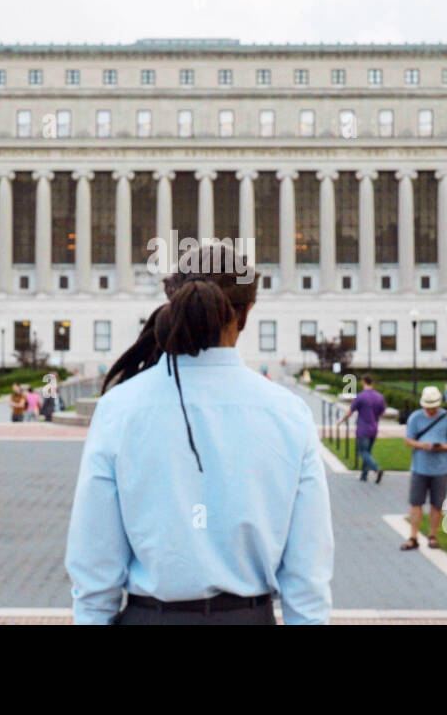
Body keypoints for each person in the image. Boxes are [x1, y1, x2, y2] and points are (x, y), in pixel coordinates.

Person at [65, 243, 333, 625]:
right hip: (247, 617)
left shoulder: (119, 409)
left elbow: (94, 564)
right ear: (247, 313)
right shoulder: (289, 414)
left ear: (172, 301)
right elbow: (308, 575)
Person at [400, 386, 447, 552]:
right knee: (415, 503)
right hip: (420, 466)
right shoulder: (415, 417)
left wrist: (445, 446)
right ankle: (413, 536)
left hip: (441, 468)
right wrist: (423, 445)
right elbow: (408, 440)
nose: (431, 409)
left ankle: (433, 535)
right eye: (428, 407)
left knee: (437, 504)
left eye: (433, 406)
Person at [338, 374, 387, 484]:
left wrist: (341, 420)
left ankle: (376, 469)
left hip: (363, 429)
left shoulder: (360, 396)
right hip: (374, 428)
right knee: (367, 452)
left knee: (362, 452)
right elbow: (383, 413)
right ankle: (364, 475)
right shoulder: (379, 397)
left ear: (363, 382)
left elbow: (350, 411)